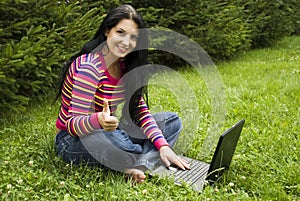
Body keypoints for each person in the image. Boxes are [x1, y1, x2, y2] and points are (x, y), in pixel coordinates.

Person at [54, 4, 189, 183]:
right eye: (120, 32)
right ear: (107, 31)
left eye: (133, 37)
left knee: (172, 121)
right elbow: (72, 125)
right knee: (113, 140)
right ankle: (142, 158)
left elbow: (139, 110)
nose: (126, 42)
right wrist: (99, 120)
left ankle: (137, 163)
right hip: (73, 140)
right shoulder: (89, 68)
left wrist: (162, 145)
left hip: (112, 130)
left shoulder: (125, 67)